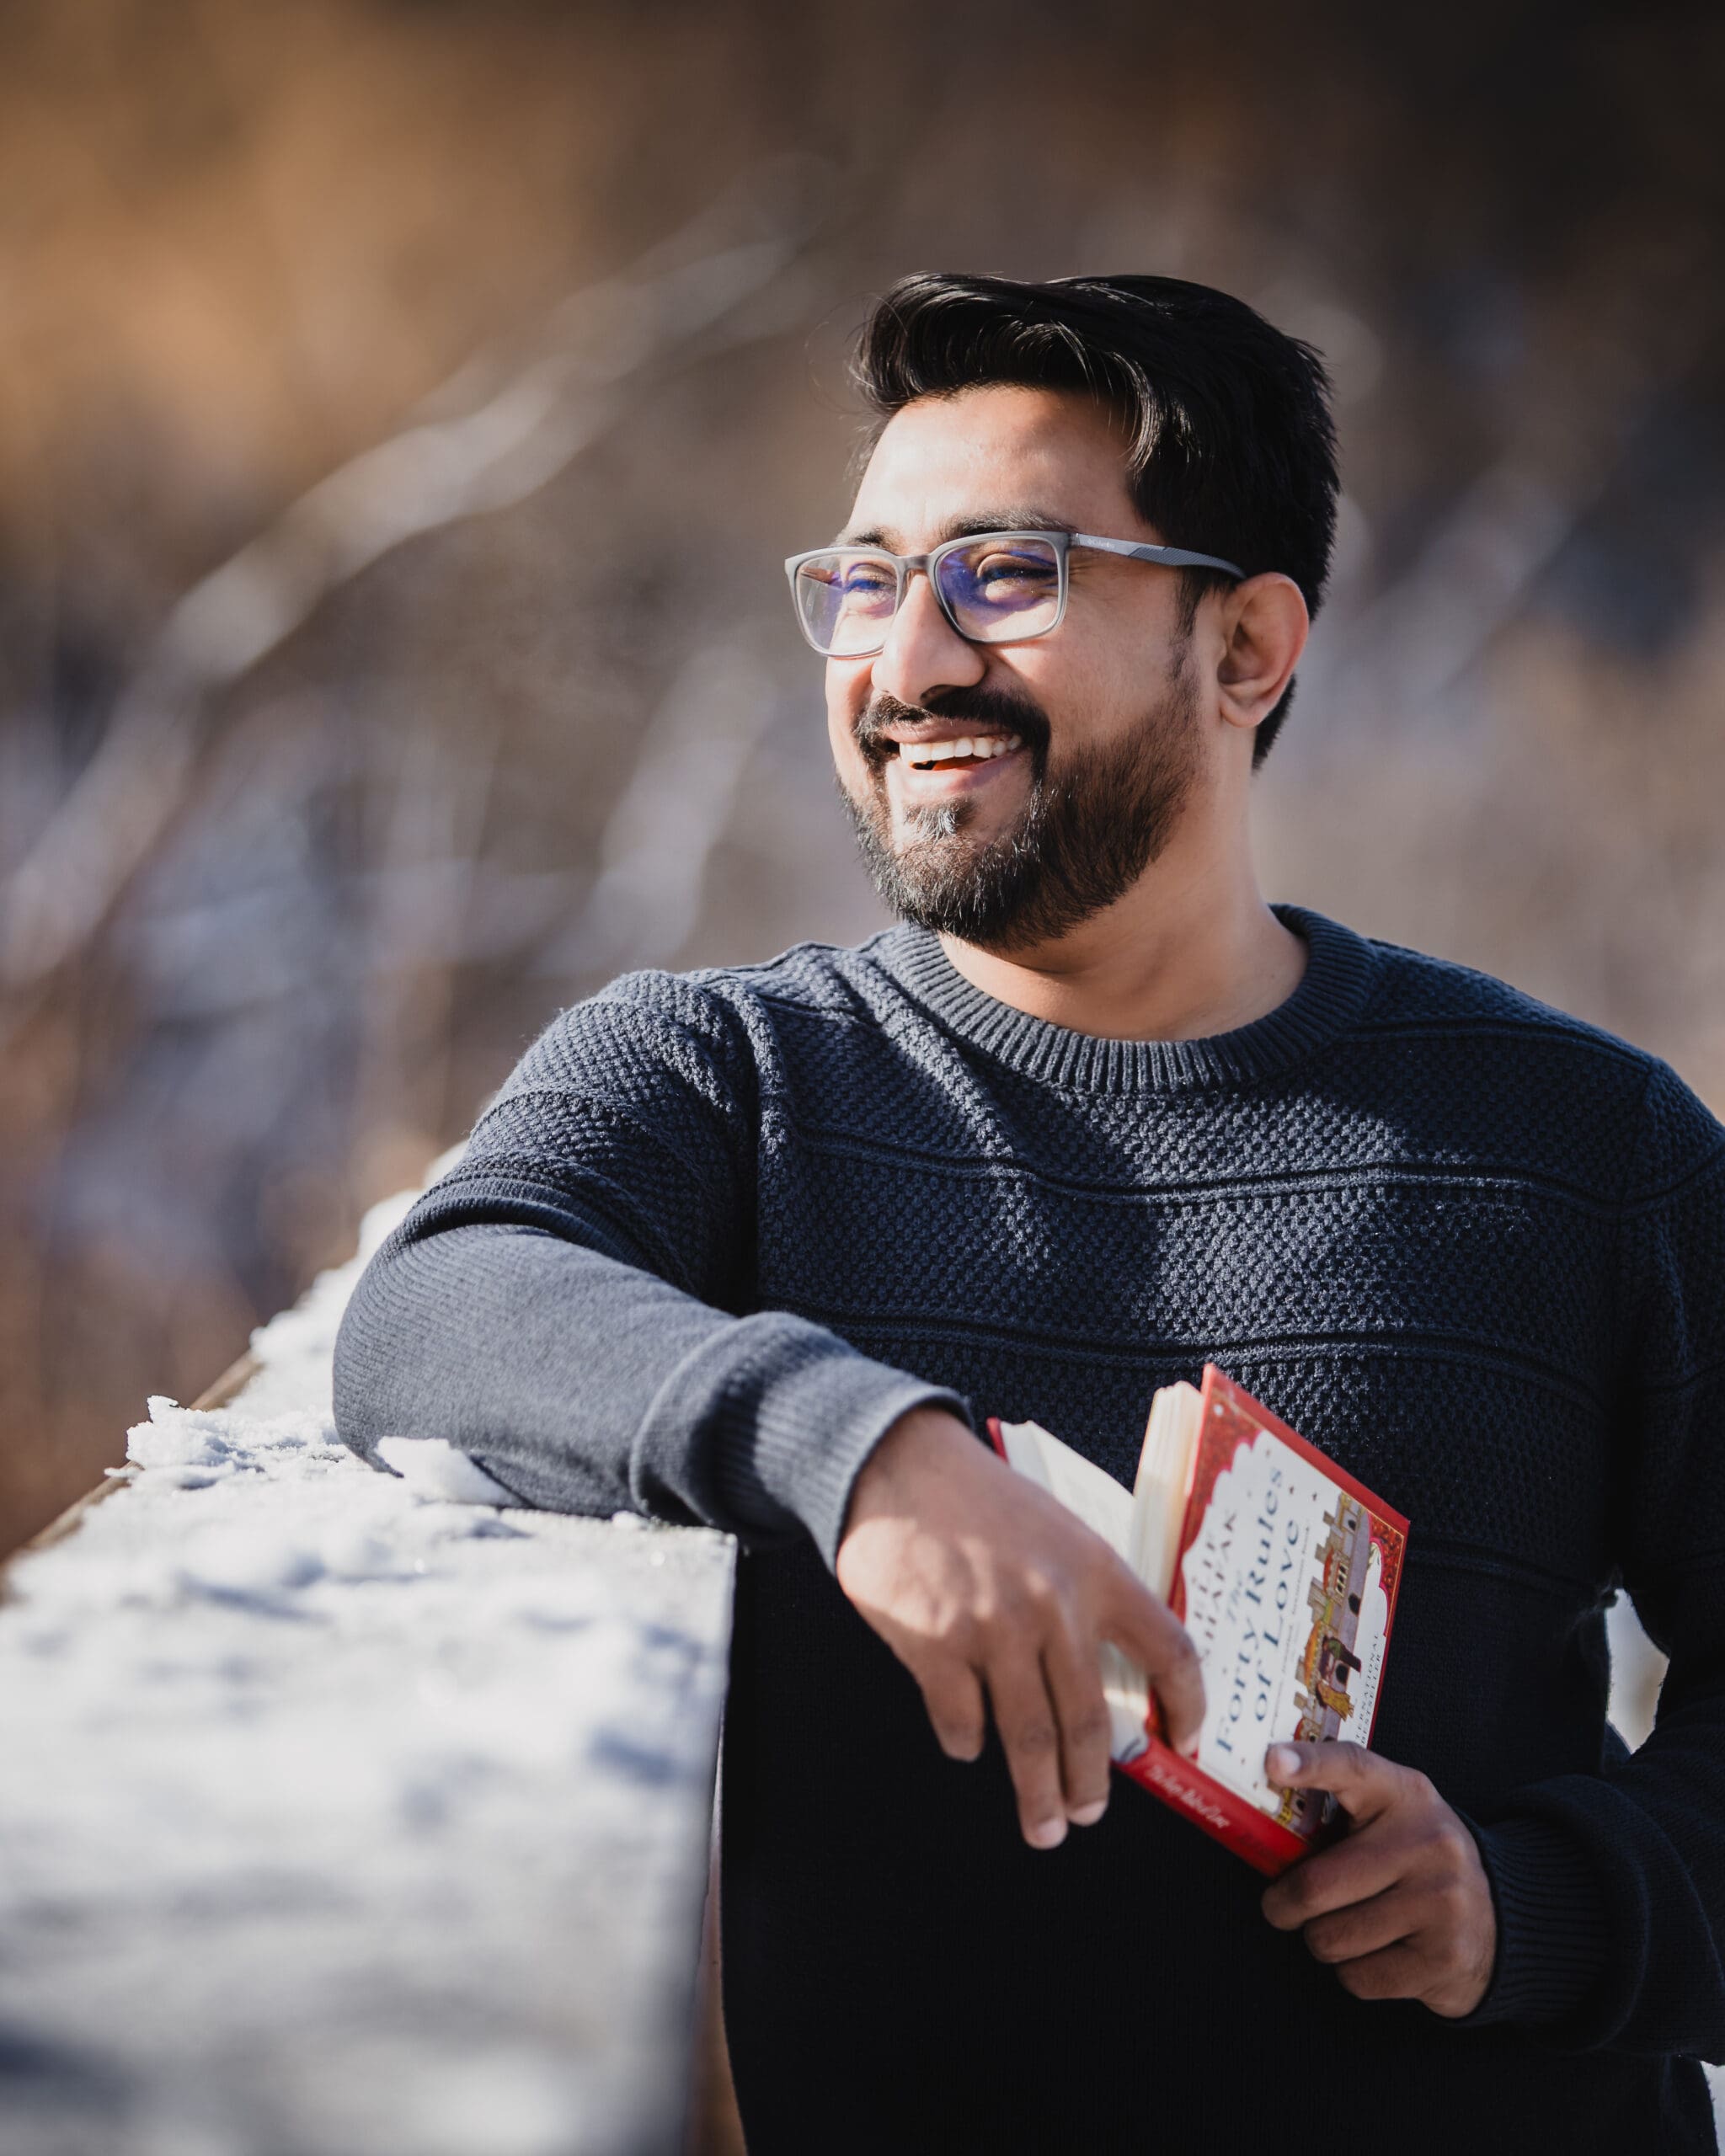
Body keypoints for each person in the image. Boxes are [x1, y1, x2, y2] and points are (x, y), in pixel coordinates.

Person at [334, 273, 1725, 2153]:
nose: (904, 661)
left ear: (1243, 648)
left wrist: (1536, 1898)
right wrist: (863, 1452)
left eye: (1005, 572)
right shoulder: (730, 1076)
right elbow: (438, 1305)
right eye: (863, 579)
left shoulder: (1583, 1143)